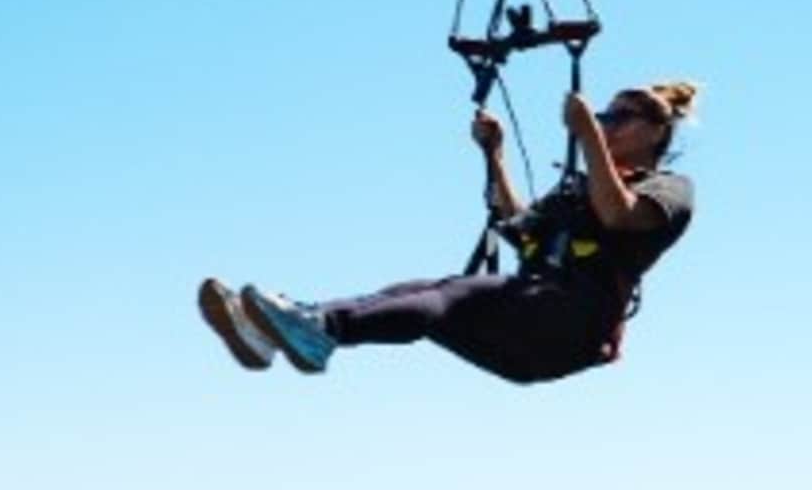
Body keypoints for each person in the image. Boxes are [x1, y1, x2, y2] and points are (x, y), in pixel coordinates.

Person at [200, 80, 698, 383]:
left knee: (454, 294)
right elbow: (518, 225)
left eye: (619, 117)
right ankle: (279, 334)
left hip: (569, 328)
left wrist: (587, 134)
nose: (607, 124)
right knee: (414, 292)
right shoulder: (579, 188)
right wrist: (494, 155)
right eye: (603, 115)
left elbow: (620, 217)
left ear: (656, 131)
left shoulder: (670, 188)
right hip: (535, 320)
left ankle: (319, 330)